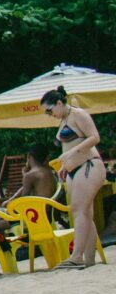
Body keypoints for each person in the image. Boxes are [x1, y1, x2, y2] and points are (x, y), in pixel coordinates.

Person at [45, 86, 106, 268]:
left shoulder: (78, 114)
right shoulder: (64, 119)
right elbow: (71, 145)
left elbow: (94, 137)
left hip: (88, 165)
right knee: (85, 213)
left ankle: (76, 256)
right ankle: (88, 259)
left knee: (79, 211)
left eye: (50, 110)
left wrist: (72, 153)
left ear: (59, 103)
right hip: (73, 169)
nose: (49, 114)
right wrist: (65, 165)